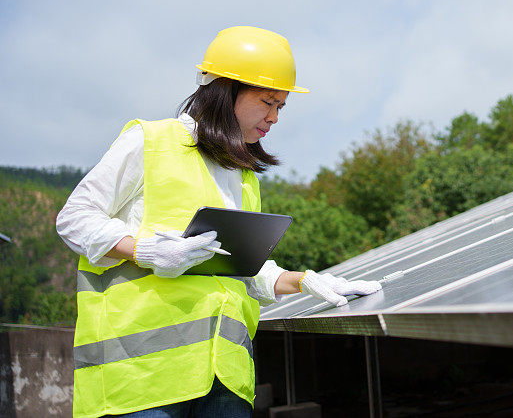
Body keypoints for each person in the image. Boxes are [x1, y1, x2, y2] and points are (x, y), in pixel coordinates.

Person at [56, 26, 382, 418]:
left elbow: (239, 271)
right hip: (141, 383)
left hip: (225, 380)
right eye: (267, 102)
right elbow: (74, 218)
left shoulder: (244, 178)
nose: (275, 117)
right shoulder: (150, 141)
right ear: (225, 91)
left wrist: (304, 280)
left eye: (281, 106)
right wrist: (144, 249)